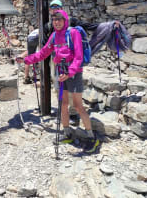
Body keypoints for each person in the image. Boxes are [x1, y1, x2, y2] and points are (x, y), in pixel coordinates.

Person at [17, 10, 100, 153]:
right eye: (54, 19)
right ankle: (67, 133)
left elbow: (79, 57)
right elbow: (42, 53)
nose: (56, 22)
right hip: (61, 73)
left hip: (73, 74)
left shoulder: (73, 33)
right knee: (63, 104)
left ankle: (92, 138)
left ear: (65, 20)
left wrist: (70, 72)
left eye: (59, 19)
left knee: (79, 106)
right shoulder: (54, 36)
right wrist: (25, 60)